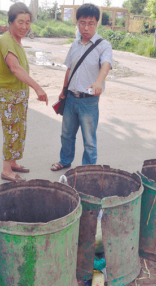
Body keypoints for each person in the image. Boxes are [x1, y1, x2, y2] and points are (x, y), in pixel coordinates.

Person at [51, 3, 112, 171]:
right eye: (82, 23)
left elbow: (106, 64)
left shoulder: (104, 45)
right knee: (66, 135)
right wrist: (63, 91)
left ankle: (88, 170)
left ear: (96, 24)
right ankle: (64, 160)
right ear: (77, 23)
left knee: (89, 141)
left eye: (90, 23)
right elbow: (70, 69)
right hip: (71, 98)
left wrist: (99, 81)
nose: (86, 27)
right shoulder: (75, 45)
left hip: (89, 101)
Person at [0, 3, 48, 182]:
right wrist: (37, 87)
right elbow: (15, 68)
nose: (25, 27)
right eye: (20, 22)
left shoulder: (17, 41)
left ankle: (13, 163)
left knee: (19, 131)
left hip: (19, 96)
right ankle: (6, 170)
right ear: (10, 22)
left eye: (27, 22)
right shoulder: (6, 41)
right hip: (9, 96)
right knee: (11, 132)